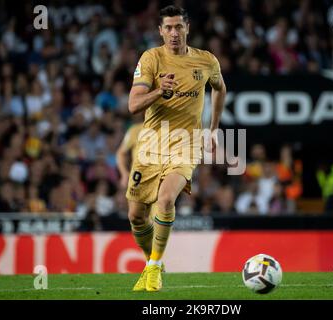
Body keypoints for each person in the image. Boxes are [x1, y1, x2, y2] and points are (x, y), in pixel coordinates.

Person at [125, 5, 226, 291]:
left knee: (166, 199)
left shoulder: (206, 61)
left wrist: (214, 129)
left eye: (178, 27)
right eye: (168, 28)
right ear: (160, 31)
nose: (173, 33)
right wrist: (159, 91)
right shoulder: (151, 59)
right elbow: (133, 105)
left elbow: (220, 88)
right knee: (135, 216)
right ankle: (152, 261)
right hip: (150, 145)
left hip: (186, 144)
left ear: (187, 28)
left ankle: (155, 267)